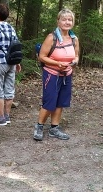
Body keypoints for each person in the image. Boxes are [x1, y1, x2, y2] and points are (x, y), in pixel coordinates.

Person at [33, 8, 79, 141]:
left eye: (70, 20)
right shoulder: (51, 37)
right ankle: (39, 126)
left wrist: (75, 61)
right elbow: (42, 57)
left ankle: (54, 128)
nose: (67, 22)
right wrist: (57, 63)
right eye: (64, 19)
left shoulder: (74, 39)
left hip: (67, 74)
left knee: (60, 102)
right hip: (51, 74)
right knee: (49, 101)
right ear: (58, 21)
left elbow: (76, 55)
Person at [0, 3, 21, 126]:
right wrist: (17, 62)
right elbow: (16, 44)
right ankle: (7, 116)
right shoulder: (10, 27)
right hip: (11, 62)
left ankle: (0, 118)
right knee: (9, 89)